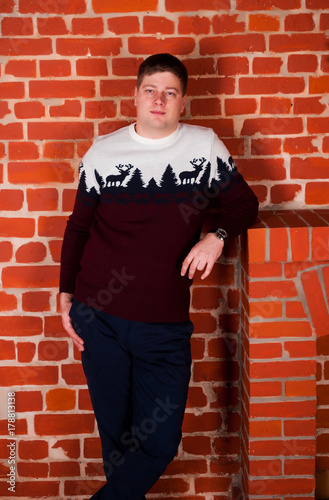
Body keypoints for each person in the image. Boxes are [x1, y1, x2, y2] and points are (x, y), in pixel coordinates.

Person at [60, 53, 258, 500]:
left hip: (164, 324)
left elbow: (246, 203)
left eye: (170, 92)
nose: (159, 100)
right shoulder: (104, 152)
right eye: (150, 90)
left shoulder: (204, 146)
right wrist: (65, 294)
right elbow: (78, 227)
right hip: (99, 315)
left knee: (160, 441)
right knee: (118, 437)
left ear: (182, 102)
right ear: (135, 96)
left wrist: (216, 237)